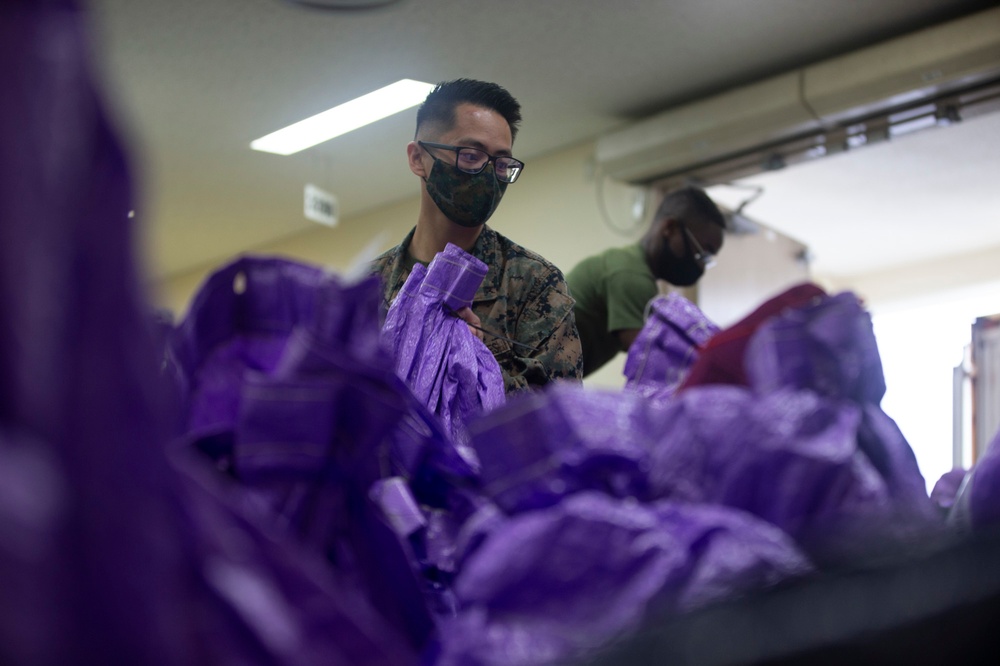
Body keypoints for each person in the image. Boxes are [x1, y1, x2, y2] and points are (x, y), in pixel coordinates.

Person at [371, 79, 583, 393]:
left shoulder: (534, 282)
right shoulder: (368, 286)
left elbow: (556, 418)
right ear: (418, 158)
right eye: (471, 155)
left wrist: (471, 366)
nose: (488, 173)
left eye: (502, 163)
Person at [566, 186, 726, 377]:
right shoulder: (632, 276)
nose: (700, 267)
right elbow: (650, 360)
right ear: (670, 228)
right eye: (702, 252)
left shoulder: (626, 263)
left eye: (707, 259)